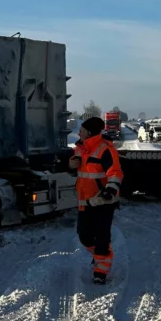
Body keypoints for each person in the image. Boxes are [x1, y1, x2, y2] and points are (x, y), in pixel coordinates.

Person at [69, 116, 123, 284]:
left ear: (89, 132)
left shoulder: (105, 148)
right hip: (84, 201)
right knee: (84, 236)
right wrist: (71, 165)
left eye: (82, 130)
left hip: (102, 201)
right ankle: (101, 256)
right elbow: (78, 171)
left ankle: (100, 271)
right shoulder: (79, 148)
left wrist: (110, 190)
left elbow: (115, 172)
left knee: (101, 236)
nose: (79, 132)